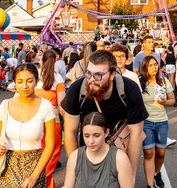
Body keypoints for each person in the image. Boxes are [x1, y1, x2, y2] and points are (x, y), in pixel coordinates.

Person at [61, 50, 148, 181]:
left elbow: (136, 134)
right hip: (88, 154)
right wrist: (76, 169)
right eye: (88, 73)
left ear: (112, 74)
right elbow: (70, 132)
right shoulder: (77, 89)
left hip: (118, 155)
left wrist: (131, 174)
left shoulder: (129, 89)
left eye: (98, 75)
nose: (91, 79)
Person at [0, 63, 56, 188]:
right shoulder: (5, 105)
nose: (24, 86)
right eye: (20, 81)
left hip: (34, 166)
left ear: (37, 81)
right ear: (14, 82)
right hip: (6, 165)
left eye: (29, 81)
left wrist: (34, 176)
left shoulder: (46, 106)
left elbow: (50, 145)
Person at [63, 112, 133, 188]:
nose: (91, 141)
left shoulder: (120, 159)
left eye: (96, 136)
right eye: (86, 136)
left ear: (106, 133)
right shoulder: (74, 157)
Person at [139, 56, 174, 188]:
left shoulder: (163, 81)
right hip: (146, 122)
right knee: (148, 153)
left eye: (155, 64)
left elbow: (172, 100)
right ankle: (149, 184)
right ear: (145, 68)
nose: (154, 67)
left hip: (162, 121)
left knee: (160, 153)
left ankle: (157, 172)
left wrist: (165, 102)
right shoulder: (140, 83)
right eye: (151, 65)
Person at [35, 50, 66, 188]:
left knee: (38, 149)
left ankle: (38, 178)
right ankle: (45, 179)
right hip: (53, 118)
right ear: (56, 59)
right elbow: (62, 104)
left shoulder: (34, 75)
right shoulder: (58, 78)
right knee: (53, 149)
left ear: (41, 59)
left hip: (34, 115)